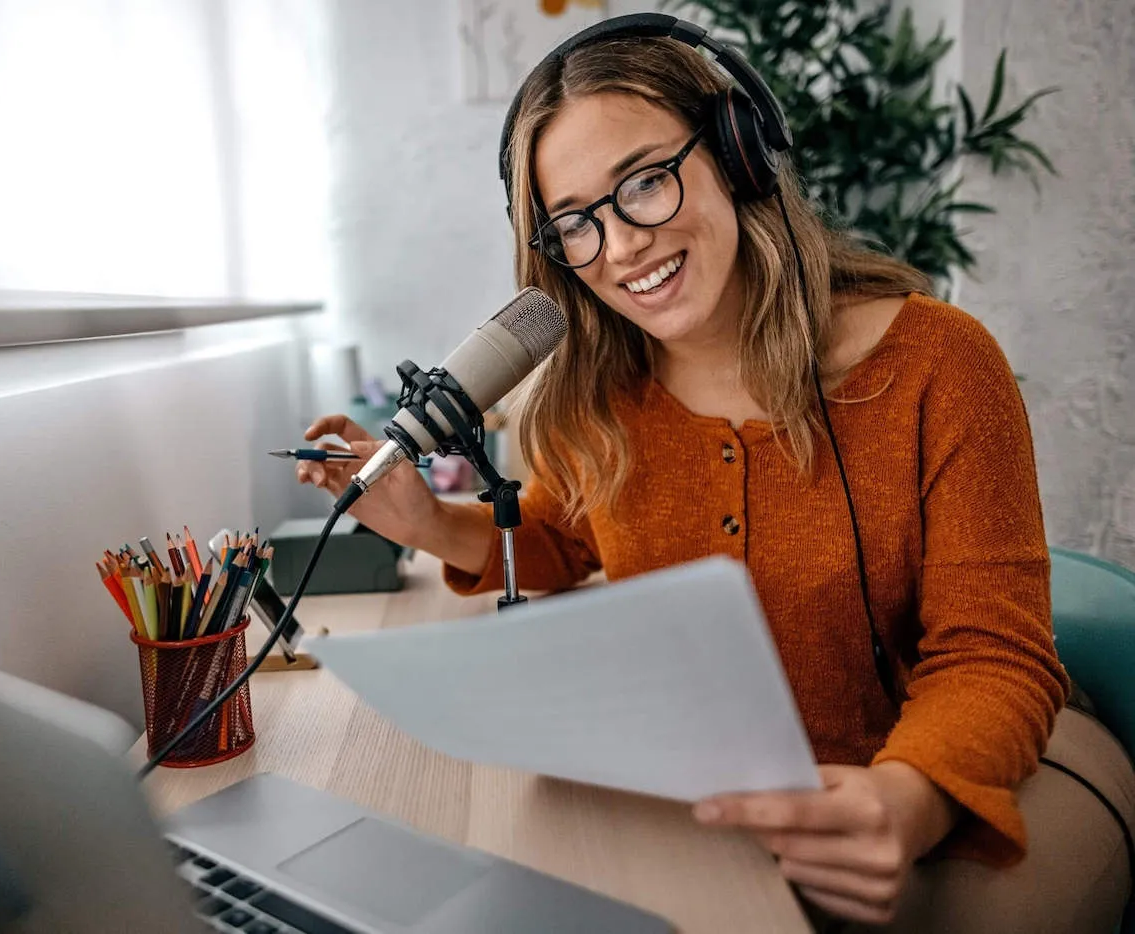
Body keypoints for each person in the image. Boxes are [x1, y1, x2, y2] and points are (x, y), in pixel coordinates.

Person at [295, 15, 1134, 932]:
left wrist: (908, 798)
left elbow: (995, 654)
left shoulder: (937, 363)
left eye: (646, 181)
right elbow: (561, 539)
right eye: (573, 222)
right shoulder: (598, 391)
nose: (619, 248)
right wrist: (425, 522)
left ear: (739, 155)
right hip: (730, 807)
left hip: (967, 771)